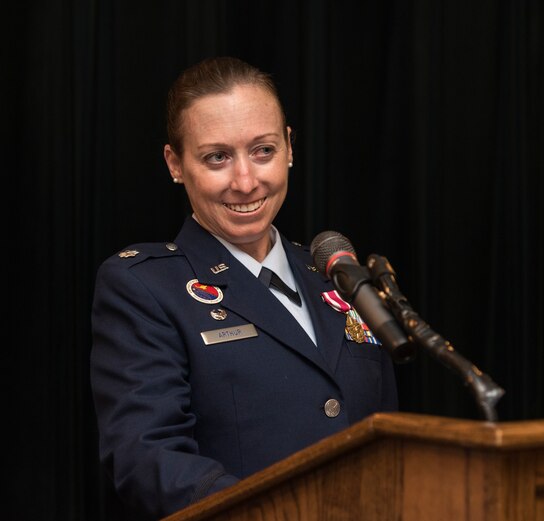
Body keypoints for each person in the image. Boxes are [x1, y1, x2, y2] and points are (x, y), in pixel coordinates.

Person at [90, 56, 398, 520]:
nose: (246, 181)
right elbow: (148, 459)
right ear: (175, 164)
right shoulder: (145, 286)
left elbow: (388, 436)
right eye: (217, 157)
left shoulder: (336, 277)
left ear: (289, 147)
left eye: (263, 151)